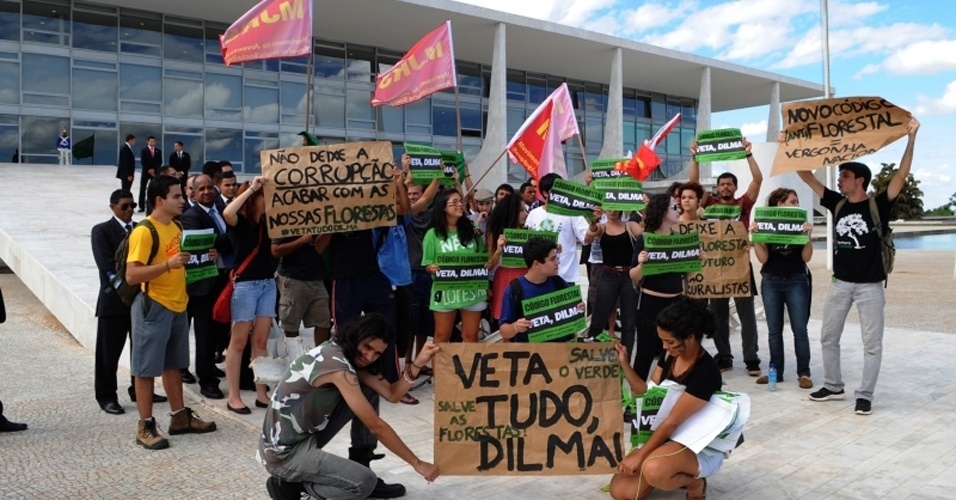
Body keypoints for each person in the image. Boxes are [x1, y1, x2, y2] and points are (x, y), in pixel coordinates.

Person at [794, 116, 920, 415]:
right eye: (840, 176)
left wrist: (911, 139)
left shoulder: (878, 204)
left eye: (845, 175)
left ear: (860, 179)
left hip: (870, 286)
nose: (839, 180)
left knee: (872, 343)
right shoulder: (837, 203)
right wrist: (793, 144)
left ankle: (865, 394)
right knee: (828, 337)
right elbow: (804, 174)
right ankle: (834, 386)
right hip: (840, 282)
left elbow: (901, 176)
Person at [257, 314, 440, 500]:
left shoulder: (346, 354)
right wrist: (417, 463)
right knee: (363, 483)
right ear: (356, 337)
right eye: (367, 347)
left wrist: (417, 363)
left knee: (367, 391)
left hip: (303, 436)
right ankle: (289, 485)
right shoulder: (337, 366)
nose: (369, 356)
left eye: (377, 353)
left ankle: (362, 460)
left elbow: (393, 394)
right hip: (283, 455)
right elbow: (376, 426)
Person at [126, 175, 217, 450]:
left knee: (173, 364)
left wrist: (205, 256)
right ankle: (145, 425)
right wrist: (168, 264)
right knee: (145, 368)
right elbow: (132, 275)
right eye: (177, 196)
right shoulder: (144, 231)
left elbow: (181, 264)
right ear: (159, 200)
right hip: (153, 306)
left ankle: (179, 417)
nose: (183, 200)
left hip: (178, 304)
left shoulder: (176, 227)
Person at [609, 297, 722, 500]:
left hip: (693, 442)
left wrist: (640, 456)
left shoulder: (706, 371)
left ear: (689, 337)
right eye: (662, 341)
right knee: (620, 492)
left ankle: (695, 482)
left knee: (653, 470)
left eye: (670, 342)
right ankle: (665, 468)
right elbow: (646, 393)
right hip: (665, 435)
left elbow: (672, 422)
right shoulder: (670, 355)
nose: (665, 346)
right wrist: (624, 364)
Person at [690, 138, 763, 375]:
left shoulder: (743, 205)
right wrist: (695, 158)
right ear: (717, 187)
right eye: (722, 184)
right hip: (713, 267)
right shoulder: (708, 203)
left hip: (740, 265)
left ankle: (751, 358)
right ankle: (724, 356)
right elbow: (693, 184)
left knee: (747, 314)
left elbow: (757, 180)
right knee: (718, 314)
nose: (725, 187)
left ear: (734, 187)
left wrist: (748, 155)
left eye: (730, 184)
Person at [91, 190, 166, 414]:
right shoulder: (102, 230)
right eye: (124, 206)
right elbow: (106, 266)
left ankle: (140, 389)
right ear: (112, 207)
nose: (129, 210)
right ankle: (106, 396)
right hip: (114, 302)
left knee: (141, 349)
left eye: (133, 205)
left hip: (141, 301)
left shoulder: (141, 229)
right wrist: (130, 284)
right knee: (108, 353)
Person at [221, 176, 278, 414]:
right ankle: (234, 396)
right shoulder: (240, 222)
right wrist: (251, 188)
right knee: (239, 341)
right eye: (265, 196)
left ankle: (262, 393)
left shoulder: (269, 223)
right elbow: (227, 212)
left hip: (268, 284)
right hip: (246, 286)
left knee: (261, 342)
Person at [750, 188, 814, 389]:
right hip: (771, 279)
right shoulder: (767, 225)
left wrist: (808, 236)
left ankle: (804, 373)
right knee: (773, 330)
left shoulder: (800, 226)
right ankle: (775, 373)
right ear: (780, 204)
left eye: (797, 202)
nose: (796, 205)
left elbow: (806, 258)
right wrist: (756, 237)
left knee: (800, 329)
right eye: (792, 201)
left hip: (796, 278)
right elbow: (763, 259)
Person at [180, 174, 232, 399]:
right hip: (203, 283)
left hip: (224, 278)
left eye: (210, 187)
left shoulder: (222, 209)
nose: (207, 192)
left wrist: (222, 243)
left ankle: (211, 366)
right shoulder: (191, 216)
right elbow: (208, 242)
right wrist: (221, 243)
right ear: (192, 192)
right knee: (204, 332)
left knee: (220, 330)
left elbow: (231, 237)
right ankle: (206, 381)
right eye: (201, 189)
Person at [423, 188, 495, 343]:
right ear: (443, 206)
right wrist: (431, 268)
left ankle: (469, 368)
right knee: (441, 336)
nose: (460, 205)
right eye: (454, 202)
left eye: (461, 201)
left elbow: (482, 256)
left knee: (471, 336)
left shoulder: (473, 231)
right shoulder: (432, 234)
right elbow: (427, 264)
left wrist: (487, 263)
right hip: (446, 293)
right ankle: (439, 369)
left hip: (472, 292)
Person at [628, 194, 687, 378]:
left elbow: (687, 275)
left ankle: (664, 394)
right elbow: (633, 275)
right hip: (650, 303)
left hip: (676, 303)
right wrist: (642, 264)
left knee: (672, 353)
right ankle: (636, 399)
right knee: (645, 353)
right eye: (674, 208)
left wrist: (697, 260)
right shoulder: (645, 238)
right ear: (662, 211)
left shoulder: (680, 238)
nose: (679, 211)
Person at [498, 237, 584, 342]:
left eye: (557, 257)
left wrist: (579, 308)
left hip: (559, 352)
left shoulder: (558, 282)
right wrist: (516, 327)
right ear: (536, 264)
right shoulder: (515, 290)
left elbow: (574, 312)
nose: (558, 262)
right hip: (530, 355)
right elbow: (503, 331)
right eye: (552, 259)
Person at [524, 173, 595, 285]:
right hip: (539, 278)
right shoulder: (534, 214)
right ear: (545, 193)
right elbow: (529, 244)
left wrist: (593, 224)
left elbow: (587, 239)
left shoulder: (572, 213)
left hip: (565, 278)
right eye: (556, 190)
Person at [584, 209, 636, 346]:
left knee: (629, 322)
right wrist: (593, 224)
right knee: (598, 317)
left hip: (628, 275)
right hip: (608, 274)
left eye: (614, 208)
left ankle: (626, 360)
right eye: (609, 208)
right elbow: (587, 239)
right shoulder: (602, 227)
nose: (612, 211)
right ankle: (592, 353)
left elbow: (648, 237)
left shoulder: (630, 226)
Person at [485, 193, 529, 326]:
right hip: (504, 278)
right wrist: (498, 251)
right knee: (504, 320)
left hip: (526, 279)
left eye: (525, 209)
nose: (526, 214)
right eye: (521, 210)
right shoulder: (496, 233)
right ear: (512, 211)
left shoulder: (530, 232)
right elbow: (489, 265)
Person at [138, 136, 162, 212]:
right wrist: (149, 169)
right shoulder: (144, 150)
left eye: (153, 141)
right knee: (143, 188)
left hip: (155, 173)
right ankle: (141, 206)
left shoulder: (158, 151)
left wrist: (154, 170)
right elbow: (143, 161)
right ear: (147, 142)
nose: (152, 143)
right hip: (146, 172)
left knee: (154, 189)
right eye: (151, 141)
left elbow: (159, 162)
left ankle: (152, 205)